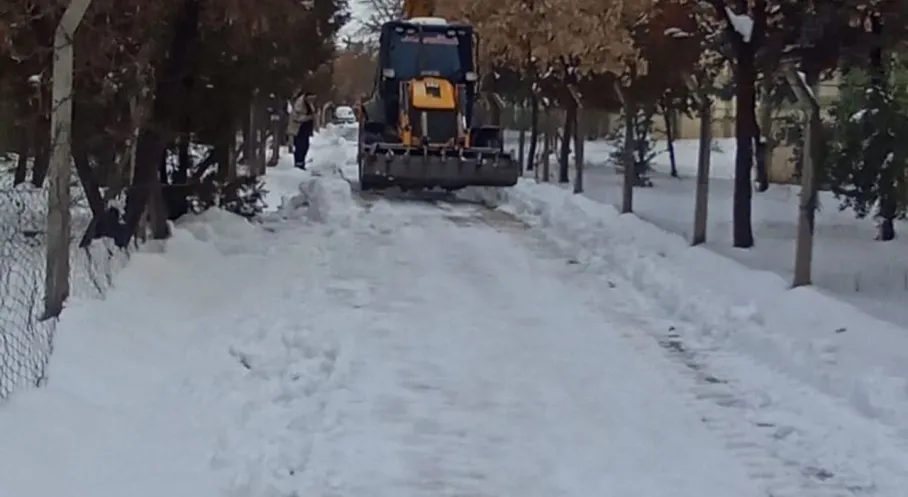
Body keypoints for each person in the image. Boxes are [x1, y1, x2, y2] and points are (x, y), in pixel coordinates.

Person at [288, 91, 316, 169]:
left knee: (305, 146)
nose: (312, 100)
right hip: (299, 129)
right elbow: (296, 117)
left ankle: (301, 162)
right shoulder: (299, 105)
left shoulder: (309, 104)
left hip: (305, 129)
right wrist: (308, 118)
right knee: (300, 146)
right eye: (311, 98)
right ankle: (298, 163)